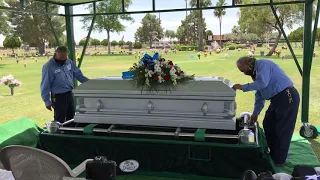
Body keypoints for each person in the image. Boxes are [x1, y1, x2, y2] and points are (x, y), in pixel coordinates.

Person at [232, 56, 300, 167]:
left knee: (282, 129)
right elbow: (259, 94)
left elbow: (262, 83)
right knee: (268, 123)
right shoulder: (256, 73)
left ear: (248, 63)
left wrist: (242, 87)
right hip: (277, 99)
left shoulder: (263, 64)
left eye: (243, 70)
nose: (244, 73)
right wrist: (255, 113)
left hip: (287, 96)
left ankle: (279, 160)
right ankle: (272, 152)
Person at [40, 46, 89, 123]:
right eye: (62, 56)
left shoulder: (68, 62)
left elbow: (78, 74)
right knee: (60, 119)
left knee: (72, 117)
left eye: (65, 57)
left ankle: (71, 133)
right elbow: (45, 84)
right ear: (56, 54)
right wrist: (47, 101)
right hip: (58, 96)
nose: (64, 59)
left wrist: (89, 83)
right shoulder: (49, 66)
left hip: (70, 93)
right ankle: (60, 133)